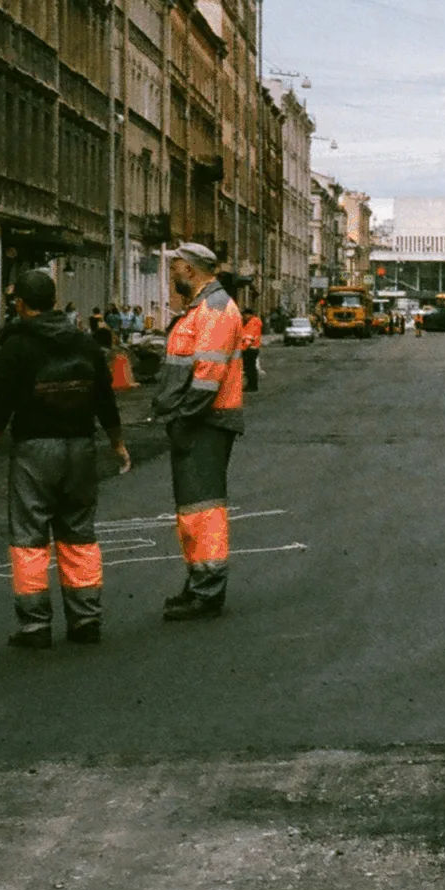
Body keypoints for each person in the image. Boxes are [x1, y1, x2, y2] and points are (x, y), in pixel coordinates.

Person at [0, 270, 131, 648]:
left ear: (20, 305)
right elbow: (105, 398)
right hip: (81, 449)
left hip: (35, 451)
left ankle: (35, 625)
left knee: (30, 537)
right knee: (79, 533)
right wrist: (117, 443)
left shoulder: (16, 348)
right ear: (54, 302)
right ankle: (86, 619)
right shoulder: (84, 343)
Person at [155, 243, 244, 622]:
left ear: (189, 270)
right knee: (193, 509)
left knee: (204, 510)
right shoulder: (202, 309)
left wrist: (183, 418)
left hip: (205, 421)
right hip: (199, 420)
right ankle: (199, 584)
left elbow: (208, 376)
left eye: (174, 267)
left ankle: (207, 592)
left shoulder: (215, 310)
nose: (171, 275)